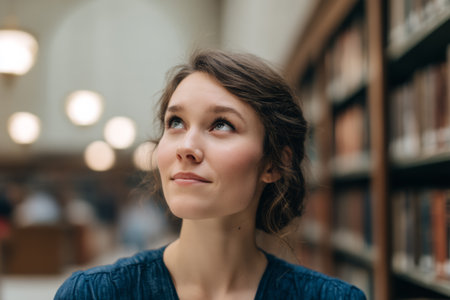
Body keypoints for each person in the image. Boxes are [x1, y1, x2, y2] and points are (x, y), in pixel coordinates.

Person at [55, 49, 366, 300]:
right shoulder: (93, 294)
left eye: (221, 125)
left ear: (272, 164)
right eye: (175, 122)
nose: (186, 148)